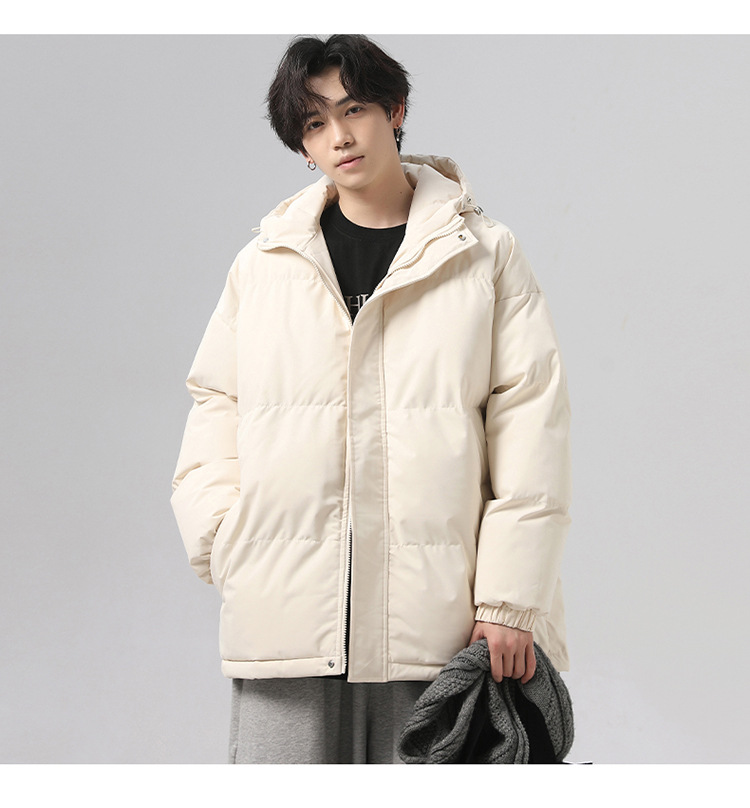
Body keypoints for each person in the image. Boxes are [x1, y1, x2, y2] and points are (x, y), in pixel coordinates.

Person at [170, 34, 572, 764]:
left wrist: (509, 601)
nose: (340, 136)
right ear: (302, 147)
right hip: (286, 617)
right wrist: (228, 542)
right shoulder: (264, 264)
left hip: (439, 626)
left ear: (396, 110)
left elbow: (531, 428)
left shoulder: (483, 254)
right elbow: (215, 408)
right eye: (315, 122)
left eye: (353, 109)